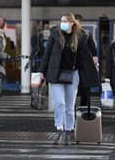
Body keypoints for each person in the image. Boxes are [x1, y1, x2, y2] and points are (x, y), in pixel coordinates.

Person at [38, 13, 98, 145]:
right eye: (61, 21)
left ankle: (69, 130)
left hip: (73, 74)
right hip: (56, 73)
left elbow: (87, 55)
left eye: (65, 21)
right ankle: (59, 128)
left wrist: (93, 62)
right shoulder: (55, 35)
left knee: (70, 106)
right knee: (60, 103)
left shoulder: (81, 36)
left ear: (72, 23)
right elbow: (47, 54)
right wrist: (41, 71)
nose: (62, 23)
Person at [74, 14, 99, 107]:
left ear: (80, 23)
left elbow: (93, 48)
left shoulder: (86, 33)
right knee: (73, 88)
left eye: (75, 22)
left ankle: (84, 108)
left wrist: (95, 57)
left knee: (85, 87)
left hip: (84, 64)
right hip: (72, 64)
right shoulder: (68, 33)